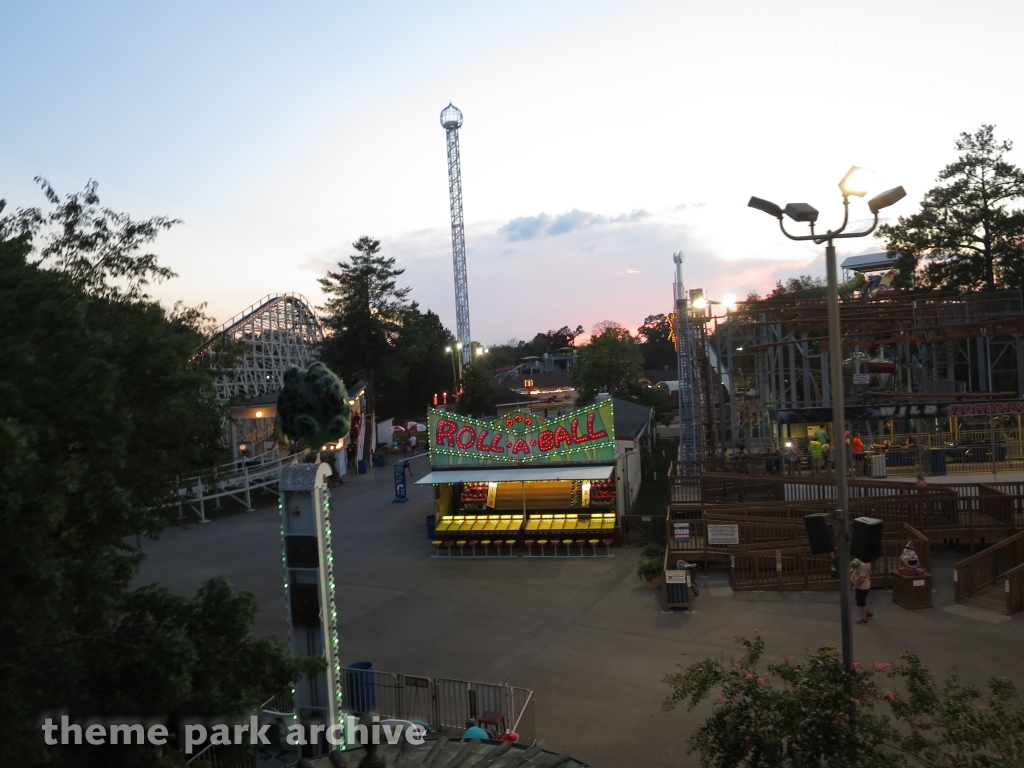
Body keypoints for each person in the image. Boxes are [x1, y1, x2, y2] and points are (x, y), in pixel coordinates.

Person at [850, 558, 873, 624]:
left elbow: (862, 578)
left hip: (862, 586)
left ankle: (864, 618)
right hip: (864, 585)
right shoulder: (863, 562)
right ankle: (868, 612)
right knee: (862, 600)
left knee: (861, 602)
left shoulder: (864, 565)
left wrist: (856, 586)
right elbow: (853, 565)